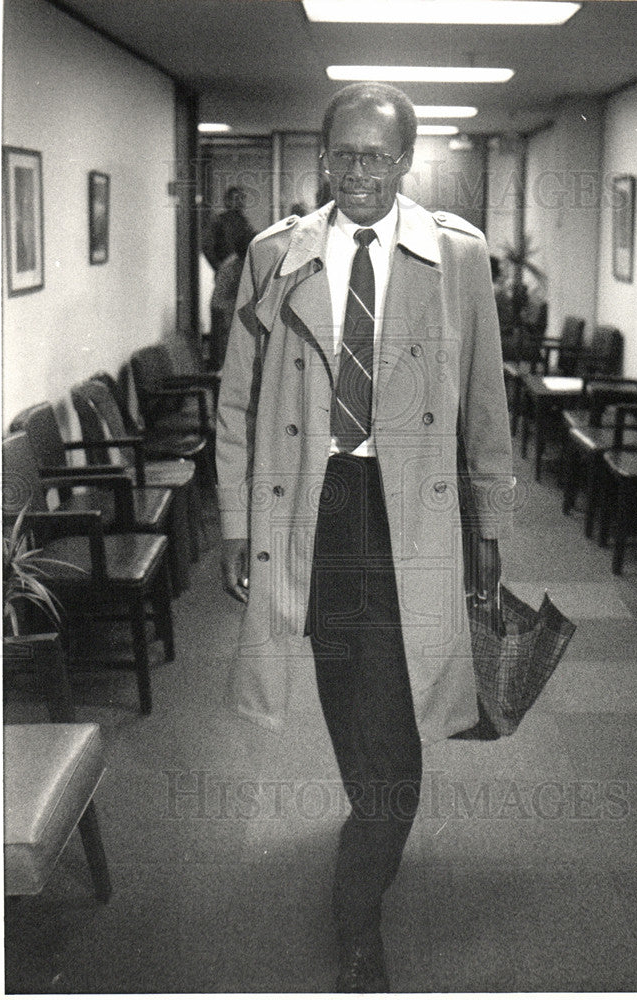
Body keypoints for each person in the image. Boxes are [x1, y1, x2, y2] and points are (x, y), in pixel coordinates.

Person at [216, 82, 514, 992]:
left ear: (405, 161)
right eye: (342, 154)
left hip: (416, 512)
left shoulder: (456, 256)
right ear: (324, 159)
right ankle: (370, 830)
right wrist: (235, 524)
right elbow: (234, 401)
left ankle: (358, 905)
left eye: (377, 156)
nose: (358, 172)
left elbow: (486, 401)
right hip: (316, 506)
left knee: (398, 727)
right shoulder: (277, 255)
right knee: (351, 699)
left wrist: (491, 526)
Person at [209, 227, 253, 370]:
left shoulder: (240, 262)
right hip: (224, 314)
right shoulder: (232, 267)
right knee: (228, 360)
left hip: (231, 313)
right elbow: (222, 302)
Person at [202, 186, 255, 272]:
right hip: (226, 269)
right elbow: (207, 246)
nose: (240, 202)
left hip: (241, 270)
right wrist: (219, 267)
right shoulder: (219, 221)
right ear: (228, 201)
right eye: (237, 198)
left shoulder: (243, 222)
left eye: (242, 198)